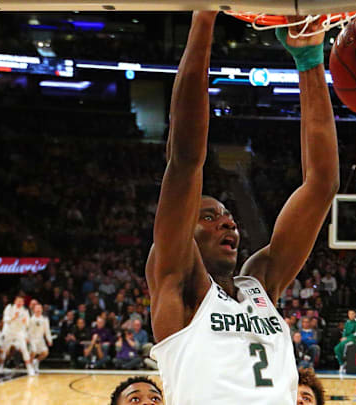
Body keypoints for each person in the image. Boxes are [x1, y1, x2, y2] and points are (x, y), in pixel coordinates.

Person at [145, 12, 339, 404]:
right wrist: (204, 16)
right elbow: (185, 158)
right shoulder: (179, 288)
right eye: (210, 216)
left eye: (229, 217)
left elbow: (321, 184)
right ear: (185, 230)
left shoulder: (260, 285)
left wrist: (310, 60)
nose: (228, 222)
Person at [0, 296, 34, 376]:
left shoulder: (25, 310)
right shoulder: (9, 307)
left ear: (23, 303)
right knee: (5, 349)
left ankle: (29, 368)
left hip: (19, 331)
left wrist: (25, 321)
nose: (19, 303)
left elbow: (28, 323)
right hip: (9, 331)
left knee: (24, 349)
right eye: (18, 301)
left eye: (21, 301)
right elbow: (5, 320)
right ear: (15, 301)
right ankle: (1, 366)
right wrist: (13, 318)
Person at [27, 304, 53, 373]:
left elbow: (47, 330)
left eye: (40, 308)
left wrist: (49, 339)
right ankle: (30, 366)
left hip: (40, 339)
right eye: (37, 308)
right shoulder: (30, 319)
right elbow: (27, 330)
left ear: (42, 310)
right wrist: (27, 338)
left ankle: (36, 362)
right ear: (34, 310)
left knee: (45, 353)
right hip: (32, 339)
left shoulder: (45, 319)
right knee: (33, 351)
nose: (38, 310)